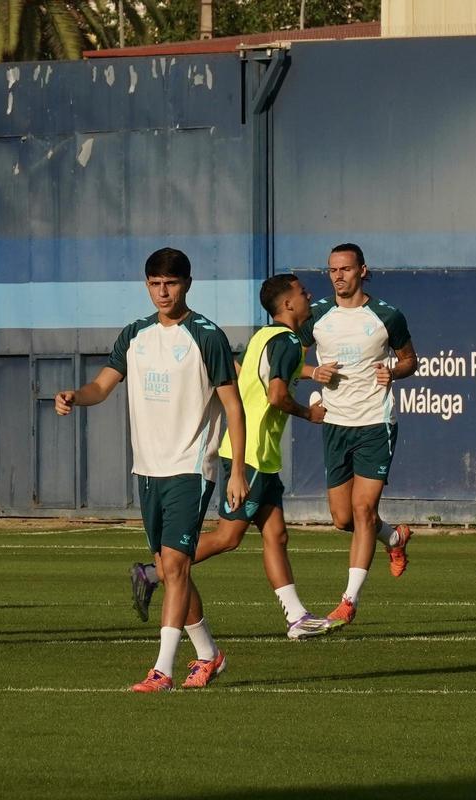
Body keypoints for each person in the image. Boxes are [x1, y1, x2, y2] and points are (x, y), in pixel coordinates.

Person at [56, 247, 248, 692]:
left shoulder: (206, 335)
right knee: (167, 569)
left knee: (176, 566)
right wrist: (75, 397)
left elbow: (233, 407)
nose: (163, 292)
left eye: (171, 283)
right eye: (155, 284)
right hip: (147, 469)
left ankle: (162, 670)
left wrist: (236, 469)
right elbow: (102, 386)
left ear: (187, 284)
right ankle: (209, 654)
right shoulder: (134, 335)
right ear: (147, 285)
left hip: (190, 467)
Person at [130, 274, 332, 640]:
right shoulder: (286, 340)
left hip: (261, 455)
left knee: (277, 535)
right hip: (252, 453)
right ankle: (154, 572)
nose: (308, 296)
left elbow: (243, 373)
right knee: (228, 537)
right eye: (303, 293)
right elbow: (275, 396)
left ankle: (297, 617)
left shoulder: (265, 337)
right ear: (287, 304)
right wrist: (309, 414)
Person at [298, 243, 417, 629]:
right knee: (342, 518)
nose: (338, 276)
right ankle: (394, 538)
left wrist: (394, 373)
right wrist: (312, 373)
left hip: (374, 423)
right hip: (335, 424)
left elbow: (409, 359)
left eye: (346, 269)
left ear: (363, 271)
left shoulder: (386, 315)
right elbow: (288, 360)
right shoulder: (315, 315)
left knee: (364, 510)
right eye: (333, 270)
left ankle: (348, 602)